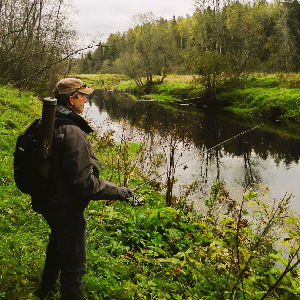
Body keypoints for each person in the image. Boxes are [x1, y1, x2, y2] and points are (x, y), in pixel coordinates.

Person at [33, 78, 132, 299]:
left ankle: (45, 289)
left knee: (57, 242)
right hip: (66, 208)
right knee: (74, 270)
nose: (86, 100)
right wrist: (120, 191)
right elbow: (85, 184)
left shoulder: (49, 121)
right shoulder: (72, 132)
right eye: (82, 96)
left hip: (49, 201)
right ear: (71, 99)